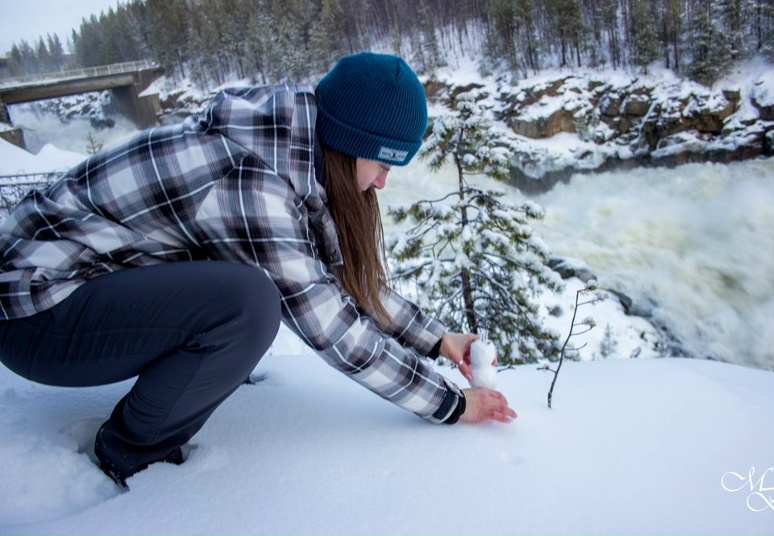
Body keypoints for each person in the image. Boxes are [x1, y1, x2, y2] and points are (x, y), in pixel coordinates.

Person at [0, 52, 516, 486]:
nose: (383, 182)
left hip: (76, 289)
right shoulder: (251, 180)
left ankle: (187, 381)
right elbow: (329, 326)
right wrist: (448, 404)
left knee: (246, 293)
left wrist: (434, 337)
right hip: (35, 314)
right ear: (349, 143)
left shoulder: (290, 144)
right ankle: (132, 452)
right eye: (383, 164)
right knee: (249, 302)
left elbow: (332, 274)